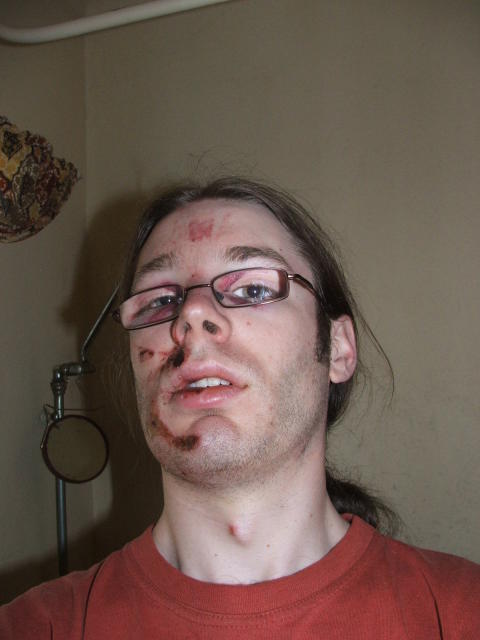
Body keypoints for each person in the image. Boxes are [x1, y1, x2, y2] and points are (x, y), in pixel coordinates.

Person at [1, 177, 479, 638]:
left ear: (338, 348)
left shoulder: (460, 613)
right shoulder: (37, 627)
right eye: (160, 300)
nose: (191, 314)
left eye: (252, 289)